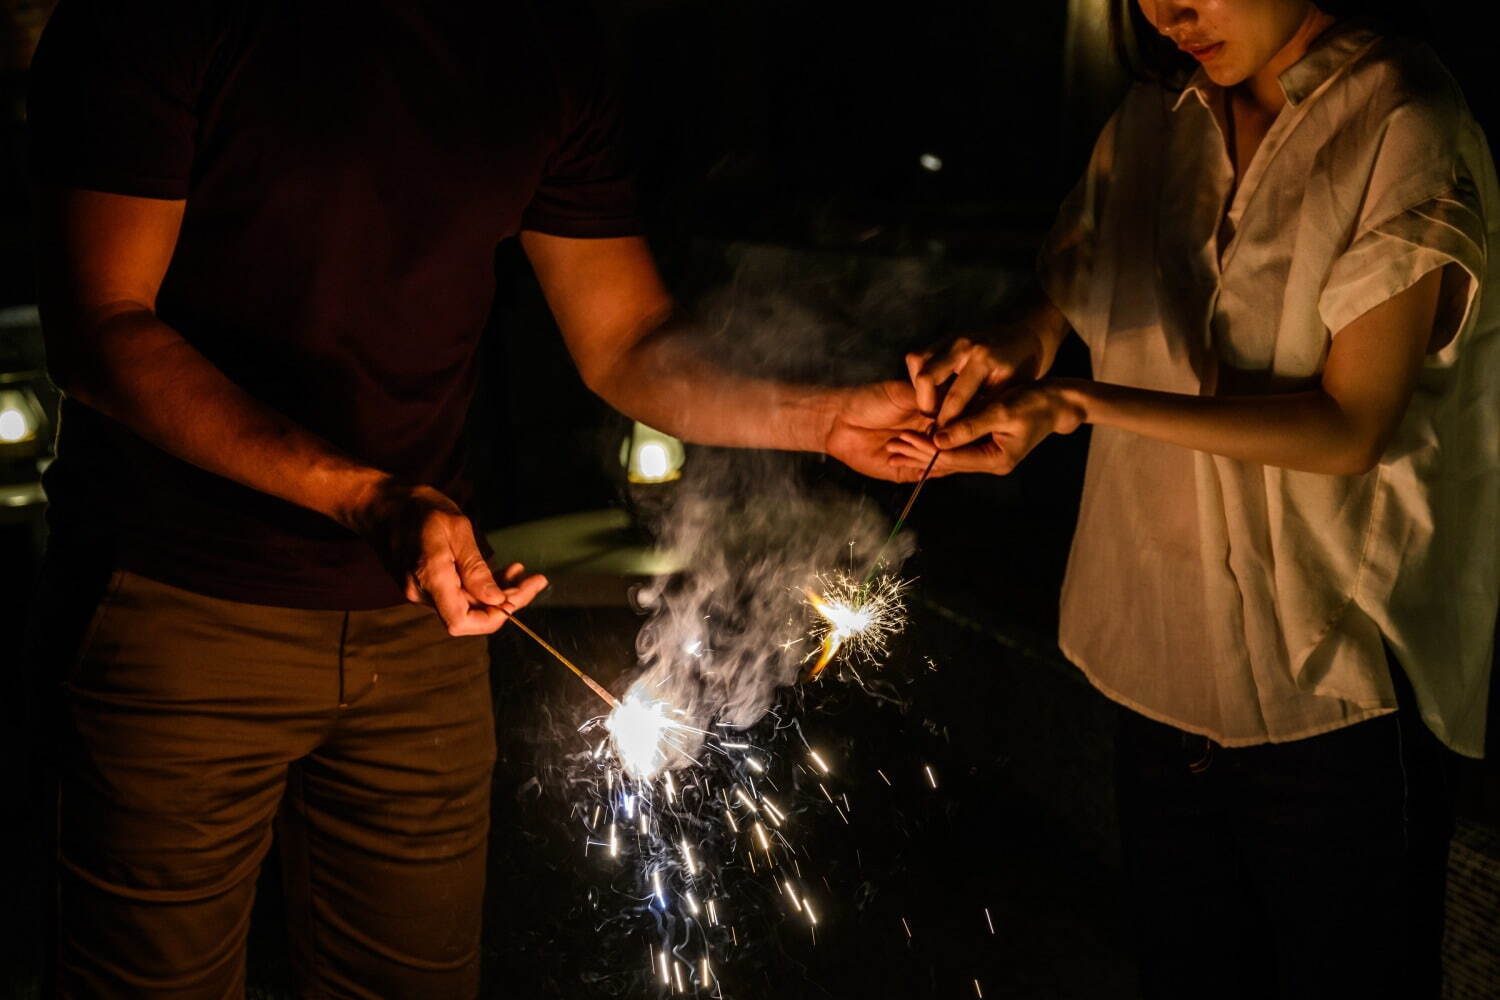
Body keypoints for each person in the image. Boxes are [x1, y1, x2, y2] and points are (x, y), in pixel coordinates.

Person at [23, 1, 923, 996]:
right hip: (180, 605)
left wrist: (825, 418)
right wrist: (371, 498)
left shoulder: (542, 42)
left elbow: (624, 340)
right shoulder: (159, 21)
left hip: (421, 634)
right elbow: (100, 329)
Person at [893, 2, 1497, 997]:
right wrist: (1011, 352)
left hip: (1332, 699)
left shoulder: (1404, 121)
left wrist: (1078, 402)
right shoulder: (1152, 118)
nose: (1167, 11)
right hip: (1160, 673)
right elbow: (1069, 294)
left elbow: (1349, 428)